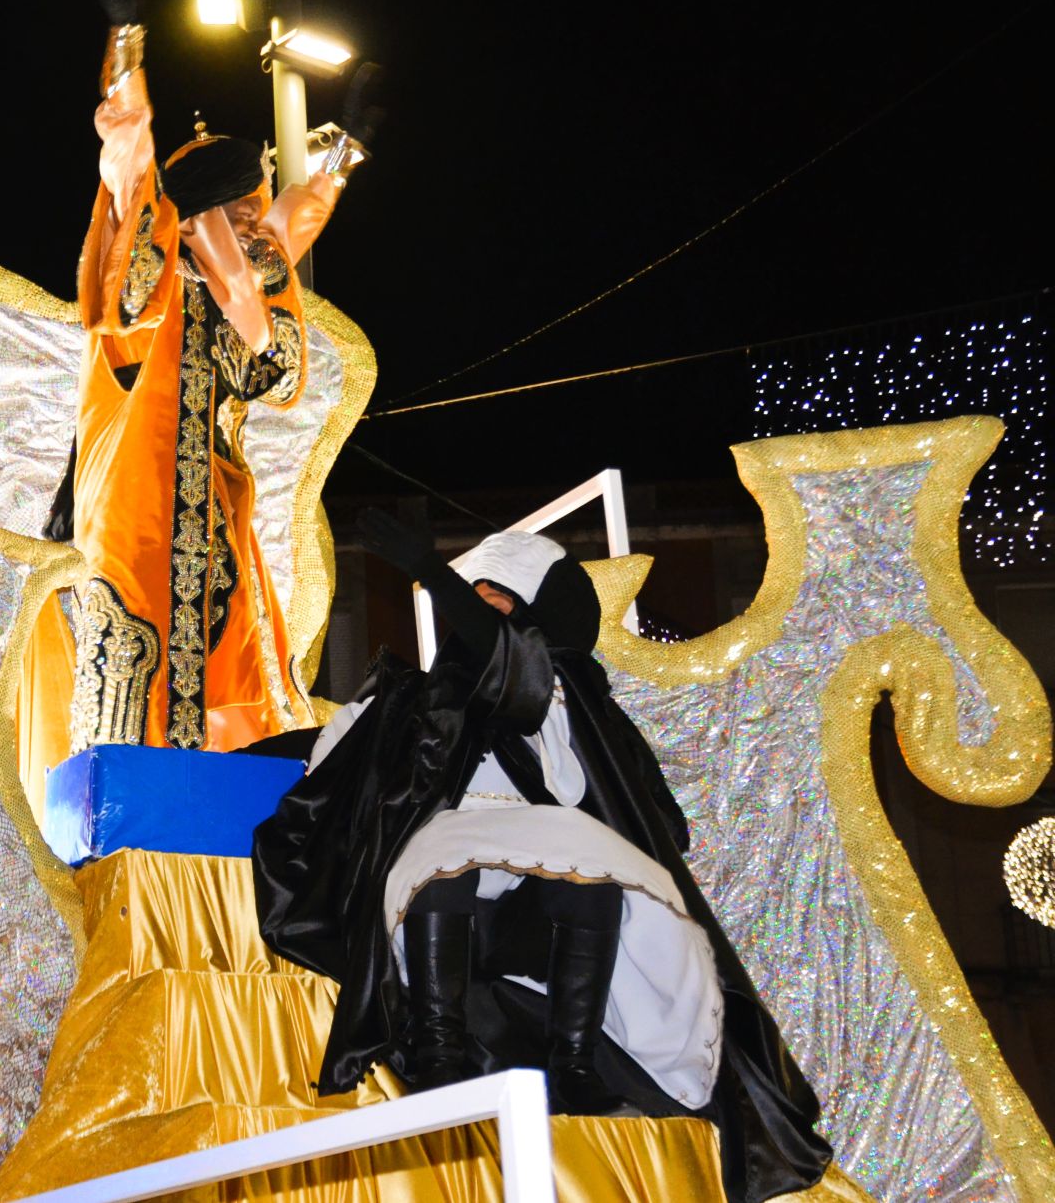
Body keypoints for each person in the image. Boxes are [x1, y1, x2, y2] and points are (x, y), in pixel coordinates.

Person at [251, 506, 834, 1203]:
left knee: (594, 873)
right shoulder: (405, 697)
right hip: (443, 878)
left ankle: (576, 1061)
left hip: (534, 865)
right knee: (445, 856)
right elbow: (324, 763)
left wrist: (432, 573)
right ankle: (440, 1055)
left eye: (494, 601)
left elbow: (520, 679)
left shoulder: (559, 688)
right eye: (476, 600)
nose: (477, 615)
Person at [28, 0, 375, 762]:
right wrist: (127, 55)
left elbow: (295, 226)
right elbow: (131, 170)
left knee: (235, 675)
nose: (261, 225)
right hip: (134, 524)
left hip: (216, 525)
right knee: (132, 682)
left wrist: (345, 152)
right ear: (203, 219)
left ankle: (225, 843)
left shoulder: (232, 291)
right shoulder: (148, 286)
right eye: (245, 209)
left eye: (260, 206)